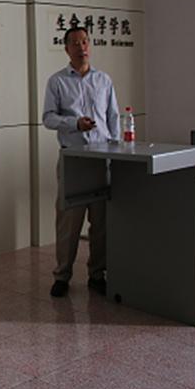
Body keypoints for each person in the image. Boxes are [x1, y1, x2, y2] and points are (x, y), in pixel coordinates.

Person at [43, 26, 119, 297]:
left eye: (85, 41)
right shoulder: (57, 81)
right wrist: (74, 123)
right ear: (66, 49)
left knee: (101, 222)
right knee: (69, 223)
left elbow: (113, 118)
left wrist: (117, 152)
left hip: (101, 159)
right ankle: (62, 275)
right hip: (73, 159)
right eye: (75, 43)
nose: (81, 47)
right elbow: (48, 118)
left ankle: (97, 274)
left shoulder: (104, 80)